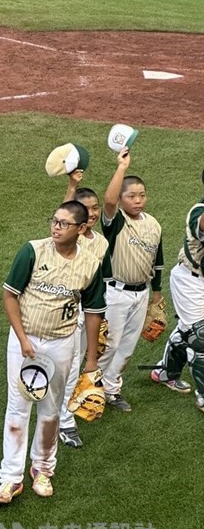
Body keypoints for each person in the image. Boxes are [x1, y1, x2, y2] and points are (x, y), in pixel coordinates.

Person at [0, 201, 106, 504]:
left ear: (81, 229)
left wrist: (91, 360)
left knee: (52, 410)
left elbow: (93, 312)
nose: (56, 227)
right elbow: (9, 295)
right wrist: (22, 339)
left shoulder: (91, 264)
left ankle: (42, 469)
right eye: (54, 221)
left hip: (62, 343)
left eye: (64, 223)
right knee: (18, 408)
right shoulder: (32, 251)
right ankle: (10, 478)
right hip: (25, 341)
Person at [97, 148, 165, 411]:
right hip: (115, 292)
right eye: (131, 196)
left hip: (141, 294)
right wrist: (121, 168)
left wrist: (157, 292)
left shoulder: (154, 224)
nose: (138, 200)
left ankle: (112, 390)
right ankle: (91, 388)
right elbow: (109, 201)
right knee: (109, 344)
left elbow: (157, 261)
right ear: (122, 199)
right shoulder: (116, 222)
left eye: (142, 195)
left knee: (126, 346)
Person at [58, 172, 111, 448]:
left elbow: (95, 284)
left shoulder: (101, 242)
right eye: (85, 209)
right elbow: (64, 217)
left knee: (72, 366)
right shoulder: (70, 235)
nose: (91, 214)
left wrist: (98, 316)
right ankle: (59, 416)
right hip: (57, 308)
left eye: (95, 208)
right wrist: (72, 186)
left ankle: (64, 419)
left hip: (81, 312)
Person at [149, 172, 204, 408]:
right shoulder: (198, 212)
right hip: (191, 281)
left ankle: (166, 372)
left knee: (186, 332)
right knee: (200, 338)